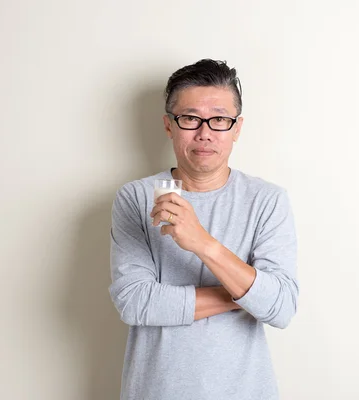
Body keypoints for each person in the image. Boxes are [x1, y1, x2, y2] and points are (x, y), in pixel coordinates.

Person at [109, 59, 299, 400]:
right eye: (190, 118)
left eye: (220, 119)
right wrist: (246, 295)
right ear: (169, 125)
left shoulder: (267, 200)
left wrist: (204, 244)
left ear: (237, 128)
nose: (205, 132)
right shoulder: (137, 197)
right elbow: (136, 303)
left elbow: (281, 308)